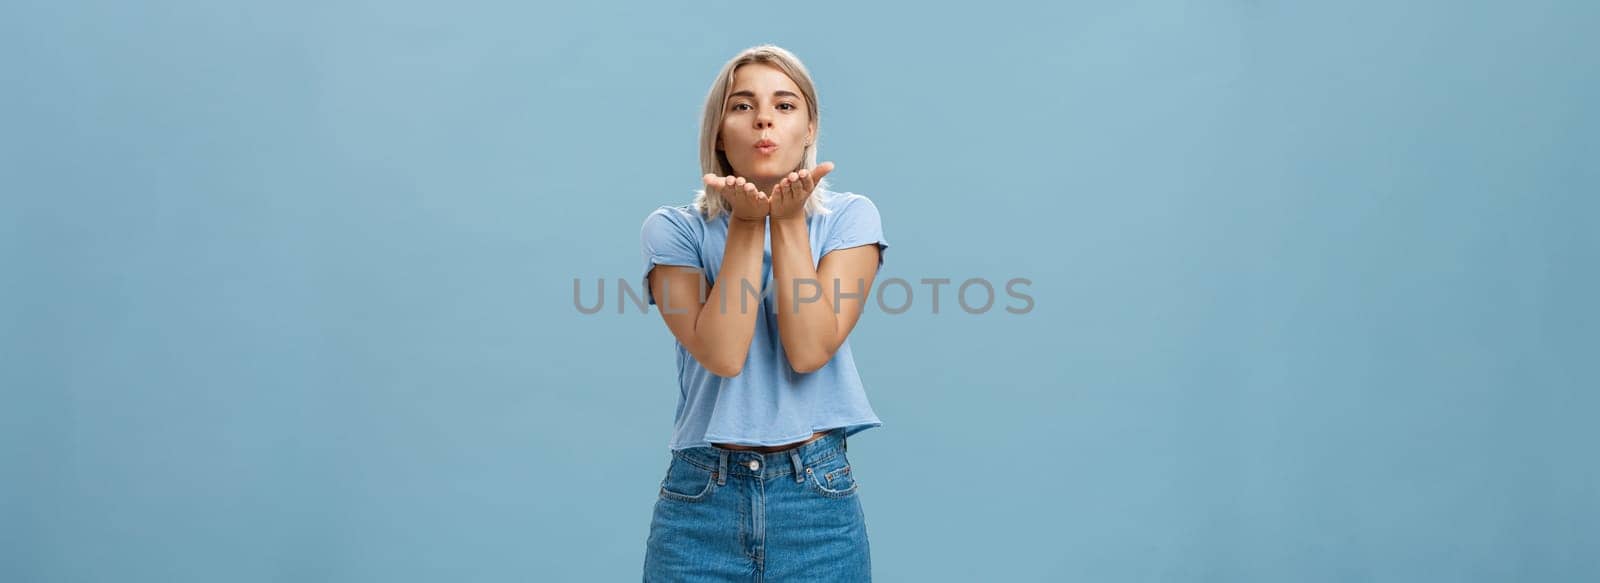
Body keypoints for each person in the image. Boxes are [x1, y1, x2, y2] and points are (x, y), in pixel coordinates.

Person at [638, 44, 889, 582]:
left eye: (784, 105)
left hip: (817, 502)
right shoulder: (673, 229)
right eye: (742, 105)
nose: (763, 121)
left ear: (808, 127)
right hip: (702, 501)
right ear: (718, 132)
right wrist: (750, 226)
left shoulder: (850, 217)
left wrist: (789, 220)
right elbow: (724, 354)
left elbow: (808, 350)